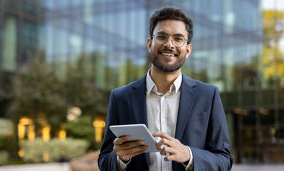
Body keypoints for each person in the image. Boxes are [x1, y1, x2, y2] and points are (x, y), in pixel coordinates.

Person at [98, 7, 232, 171]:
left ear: (188, 50)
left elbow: (224, 160)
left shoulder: (208, 96)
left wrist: (189, 155)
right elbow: (104, 161)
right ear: (149, 44)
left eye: (178, 39)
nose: (169, 44)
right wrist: (120, 159)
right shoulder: (121, 97)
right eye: (162, 36)